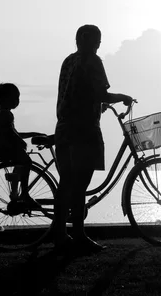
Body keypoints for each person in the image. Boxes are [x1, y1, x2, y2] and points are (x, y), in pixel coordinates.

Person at [53, 24, 133, 253]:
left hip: (64, 128)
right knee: (80, 185)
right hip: (84, 129)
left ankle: (60, 234)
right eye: (97, 40)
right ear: (88, 40)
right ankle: (79, 235)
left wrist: (100, 104)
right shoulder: (92, 61)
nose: (99, 45)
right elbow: (101, 93)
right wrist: (123, 97)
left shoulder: (69, 61)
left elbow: (79, 93)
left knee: (66, 183)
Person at [0, 83, 43, 206]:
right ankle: (24, 193)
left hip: (2, 148)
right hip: (5, 148)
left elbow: (13, 132)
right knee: (27, 162)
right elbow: (12, 134)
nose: (17, 101)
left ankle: (14, 193)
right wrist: (22, 142)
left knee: (19, 164)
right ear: (6, 99)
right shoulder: (6, 114)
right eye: (15, 98)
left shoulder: (1, 113)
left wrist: (32, 134)